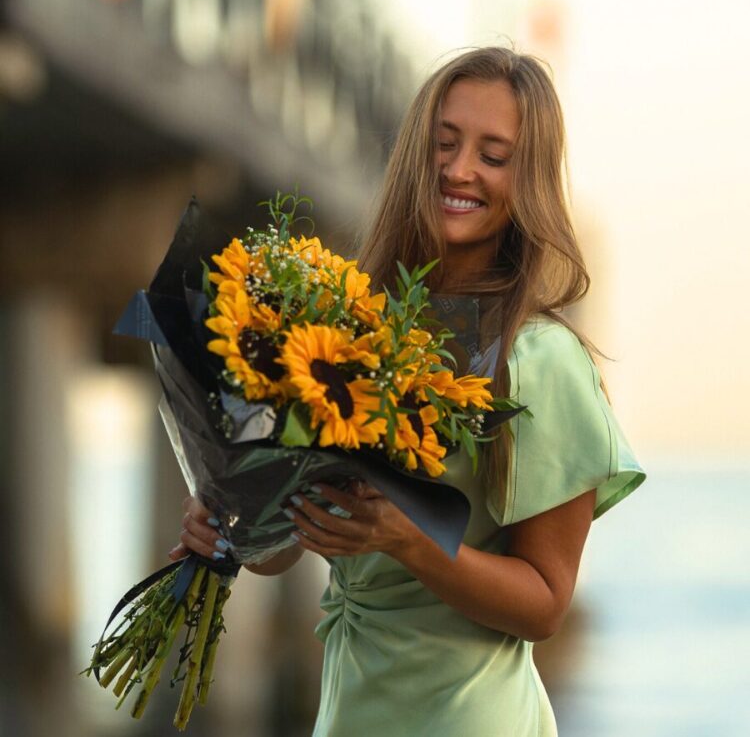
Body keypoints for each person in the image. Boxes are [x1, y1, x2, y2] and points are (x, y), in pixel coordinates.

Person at [169, 46, 646, 736]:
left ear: (528, 180)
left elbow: (545, 604)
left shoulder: (541, 358)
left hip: (469, 718)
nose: (459, 169)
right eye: (444, 144)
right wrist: (232, 525)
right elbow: (294, 540)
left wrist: (410, 541)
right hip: (348, 709)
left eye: (493, 154)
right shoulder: (349, 330)